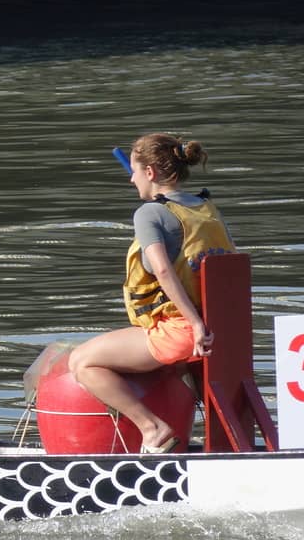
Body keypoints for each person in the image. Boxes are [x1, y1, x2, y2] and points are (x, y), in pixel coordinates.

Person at [69, 133, 234, 453]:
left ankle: (153, 429)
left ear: (150, 173)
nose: (131, 179)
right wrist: (206, 325)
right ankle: (223, 443)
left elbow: (162, 270)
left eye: (134, 171)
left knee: (82, 361)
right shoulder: (207, 206)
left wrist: (196, 326)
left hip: (185, 331)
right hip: (221, 328)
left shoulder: (150, 214)